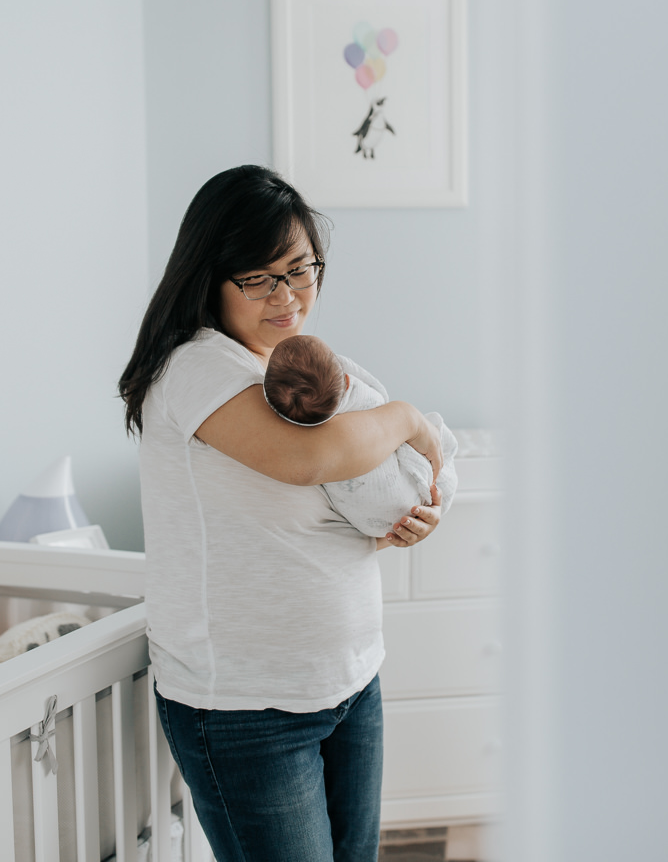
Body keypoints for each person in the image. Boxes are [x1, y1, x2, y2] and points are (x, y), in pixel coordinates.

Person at [118, 165, 445, 862]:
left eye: (301, 270)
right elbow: (311, 460)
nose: (288, 296)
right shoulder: (196, 368)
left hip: (349, 679)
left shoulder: (299, 373)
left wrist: (393, 525)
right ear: (210, 276)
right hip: (247, 707)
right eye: (260, 278)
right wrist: (409, 418)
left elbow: (309, 511)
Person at [263, 334, 459, 537]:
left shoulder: (288, 423)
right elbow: (380, 398)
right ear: (347, 380)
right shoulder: (358, 396)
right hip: (405, 510)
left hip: (371, 526)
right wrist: (409, 420)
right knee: (437, 430)